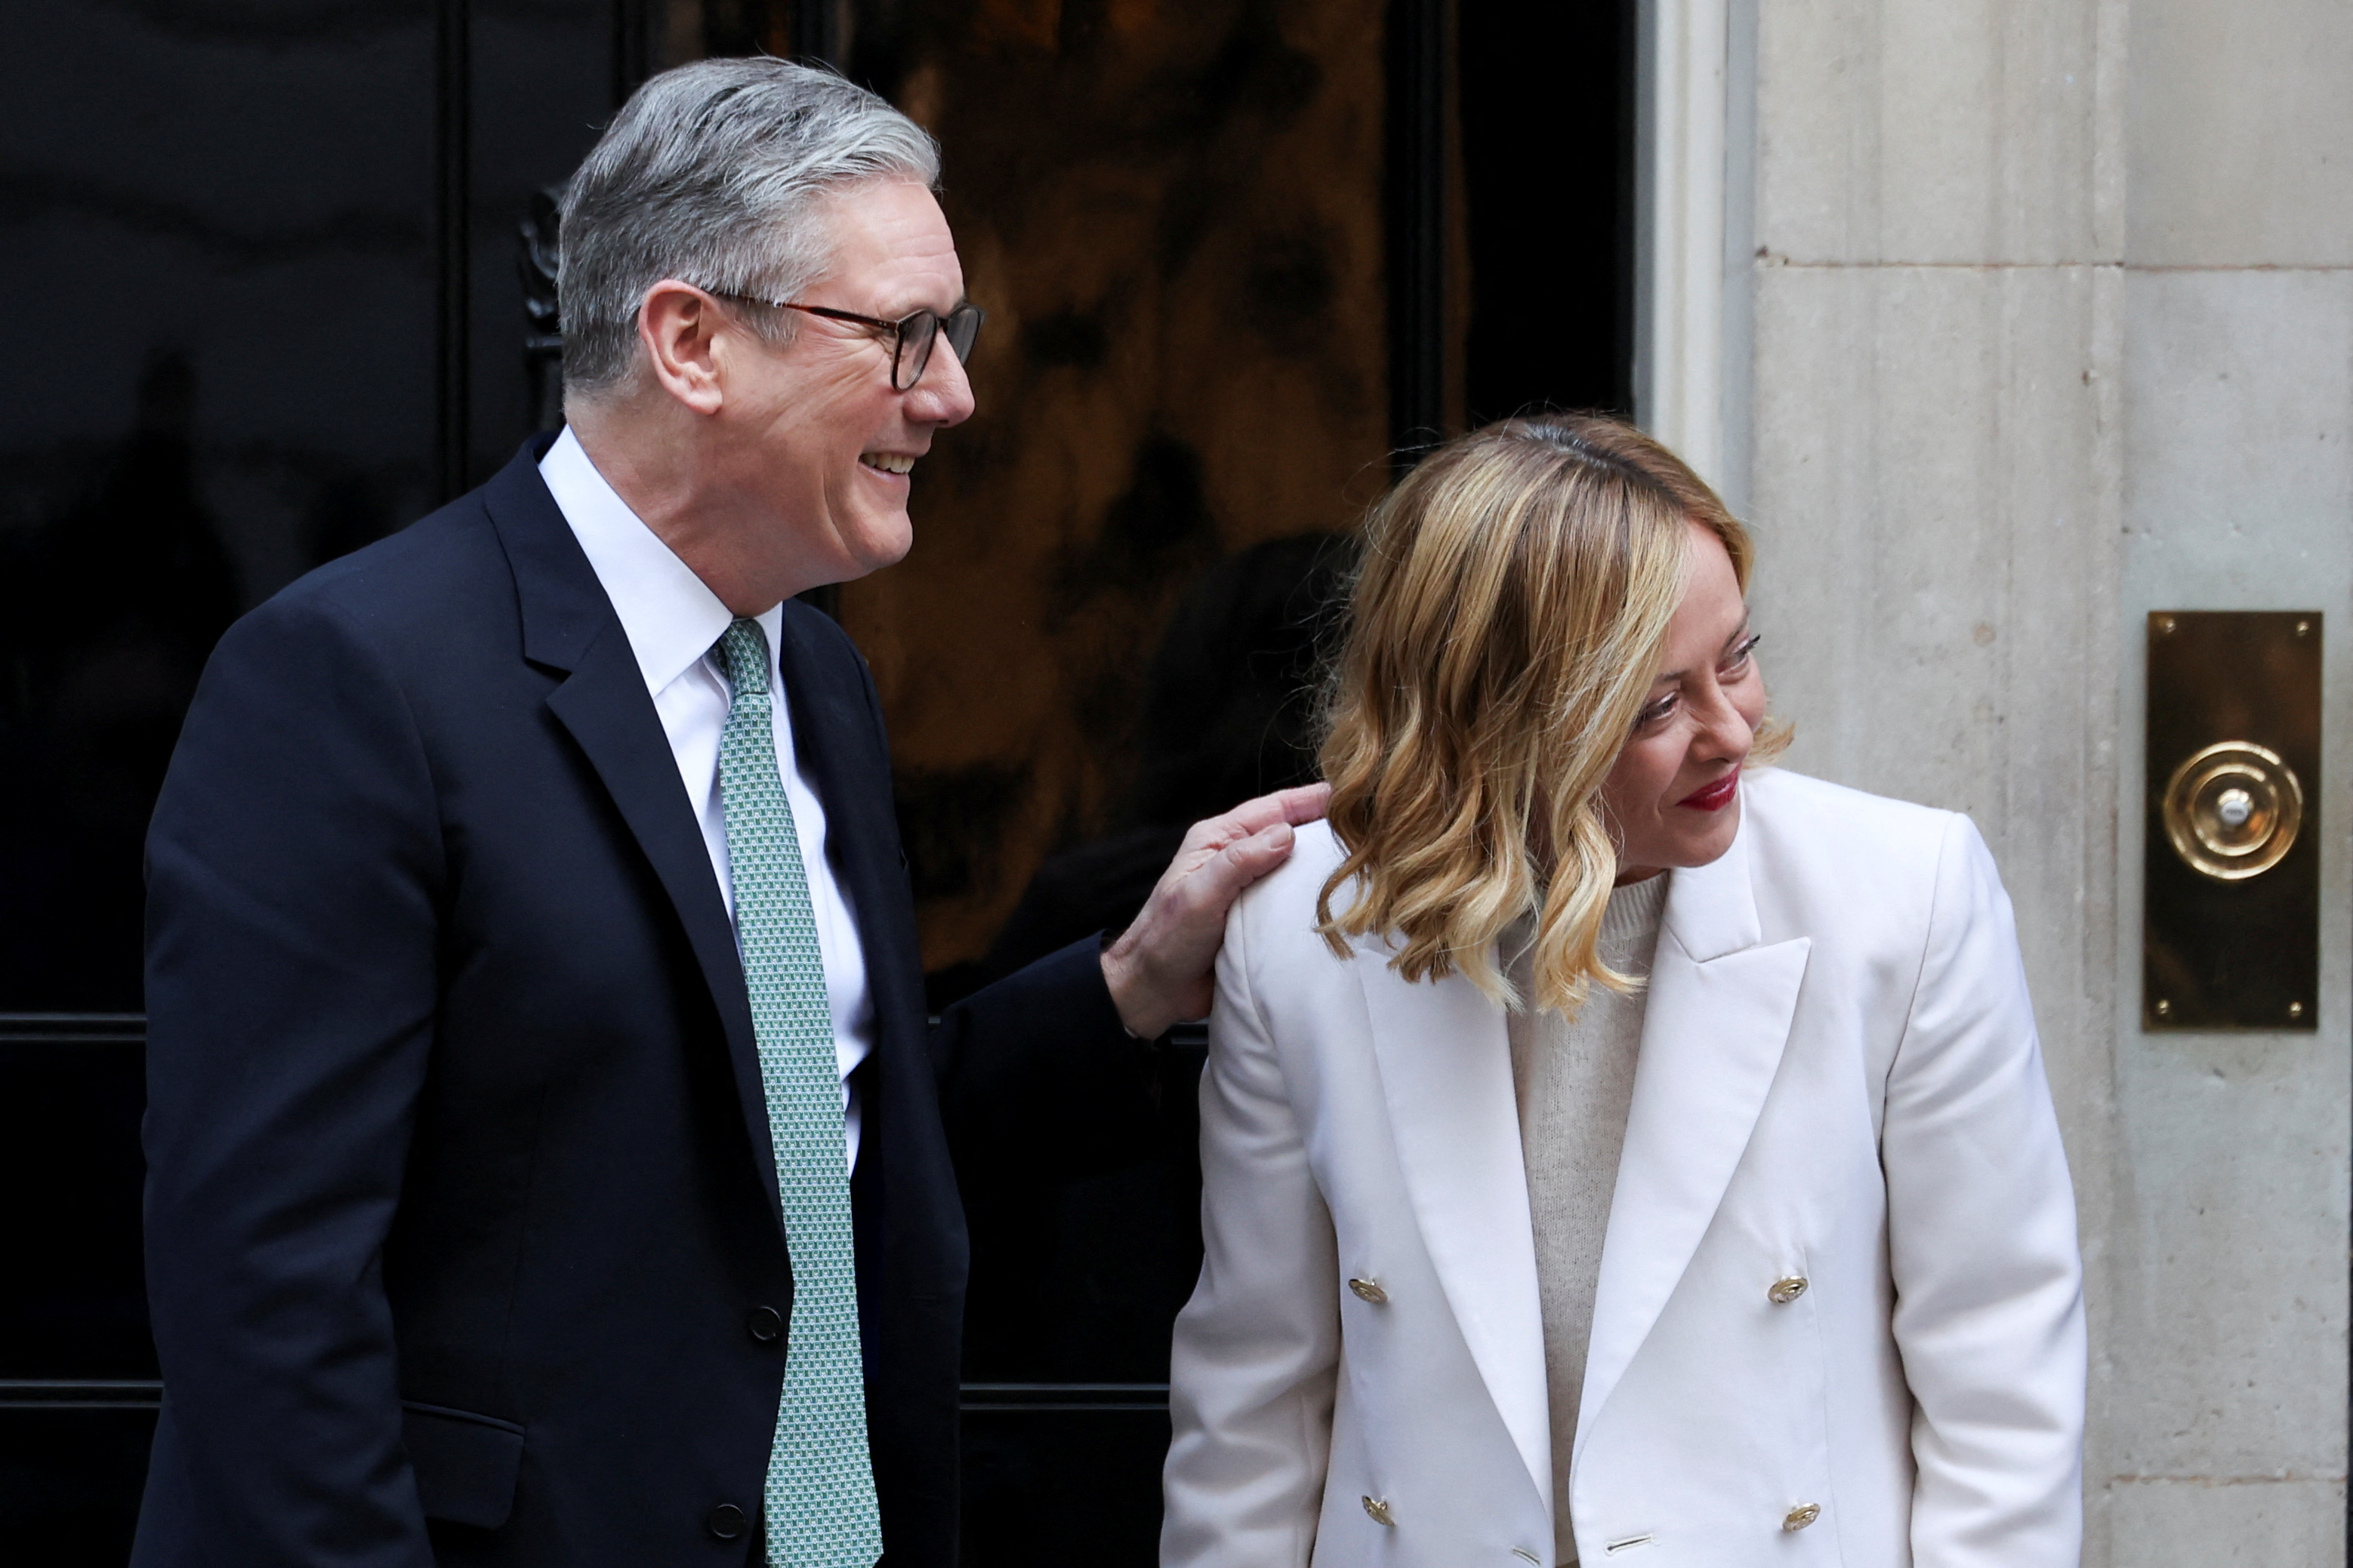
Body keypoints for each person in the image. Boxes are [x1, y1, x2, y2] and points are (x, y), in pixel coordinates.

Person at [133, 58, 1325, 1568]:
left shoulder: (810, 677)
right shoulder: (349, 680)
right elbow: (266, 1297)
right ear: (690, 340)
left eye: (949, 335)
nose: (953, 394)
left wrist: (1124, 991)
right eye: (903, 335)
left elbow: (793, 1146)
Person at [1161, 417, 2085, 1566]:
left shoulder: (1905, 895)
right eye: (1656, 705)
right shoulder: (1302, 932)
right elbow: (1252, 1402)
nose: (1734, 728)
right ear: (1503, 722)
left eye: (1736, 656)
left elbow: (2002, 1378)